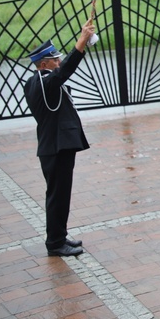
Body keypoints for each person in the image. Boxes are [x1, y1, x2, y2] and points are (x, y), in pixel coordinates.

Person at [24, 20, 95, 257]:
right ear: (43, 64)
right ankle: (55, 243)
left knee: (60, 195)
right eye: (54, 60)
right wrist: (82, 41)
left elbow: (60, 74)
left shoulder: (37, 82)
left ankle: (60, 236)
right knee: (57, 196)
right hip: (56, 148)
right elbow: (65, 71)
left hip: (55, 147)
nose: (58, 63)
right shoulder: (46, 82)